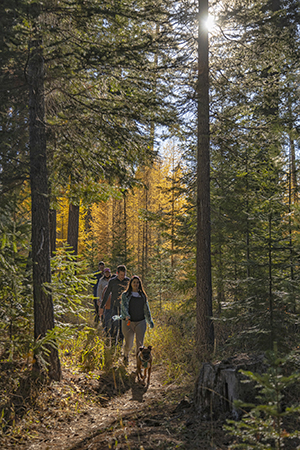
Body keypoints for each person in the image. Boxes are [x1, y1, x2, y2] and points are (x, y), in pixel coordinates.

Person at [120, 275, 154, 365]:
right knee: (129, 344)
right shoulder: (125, 295)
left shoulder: (142, 295)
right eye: (134, 282)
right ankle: (126, 356)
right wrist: (126, 315)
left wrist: (149, 320)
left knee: (140, 345)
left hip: (141, 321)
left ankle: (138, 364)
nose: (136, 284)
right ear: (130, 283)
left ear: (140, 284)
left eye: (137, 282)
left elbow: (146, 308)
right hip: (128, 322)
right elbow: (123, 307)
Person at [99, 265, 129, 344]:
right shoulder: (112, 281)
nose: (123, 276)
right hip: (114, 307)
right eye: (121, 274)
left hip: (124, 308)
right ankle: (112, 345)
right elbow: (106, 294)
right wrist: (102, 307)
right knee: (114, 327)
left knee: (122, 328)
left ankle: (120, 346)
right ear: (117, 273)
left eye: (124, 274)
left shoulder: (127, 281)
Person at [97, 268, 112, 333]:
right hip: (103, 299)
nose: (107, 274)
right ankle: (104, 325)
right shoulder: (101, 280)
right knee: (103, 313)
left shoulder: (112, 280)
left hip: (111, 300)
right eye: (106, 272)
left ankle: (109, 327)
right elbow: (99, 290)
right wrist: (99, 299)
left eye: (108, 272)